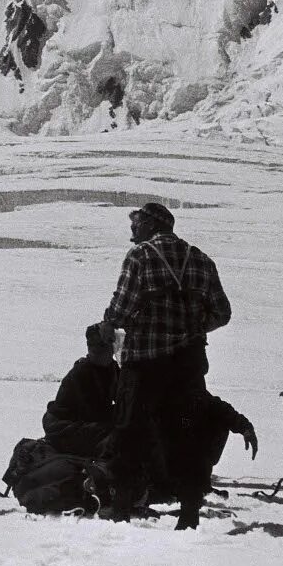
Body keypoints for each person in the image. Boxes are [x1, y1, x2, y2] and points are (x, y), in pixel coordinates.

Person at [99, 202, 231, 529]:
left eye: (137, 223)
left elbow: (122, 306)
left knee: (130, 436)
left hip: (144, 365)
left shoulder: (140, 256)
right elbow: (222, 313)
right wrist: (192, 327)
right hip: (187, 366)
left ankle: (122, 508)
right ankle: (189, 514)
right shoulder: (200, 260)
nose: (133, 230)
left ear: (152, 225)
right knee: (186, 438)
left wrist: (110, 323)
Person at [42, 321, 118, 458]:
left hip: (83, 422)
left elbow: (120, 395)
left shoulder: (111, 369)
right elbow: (93, 412)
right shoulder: (83, 372)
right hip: (62, 427)